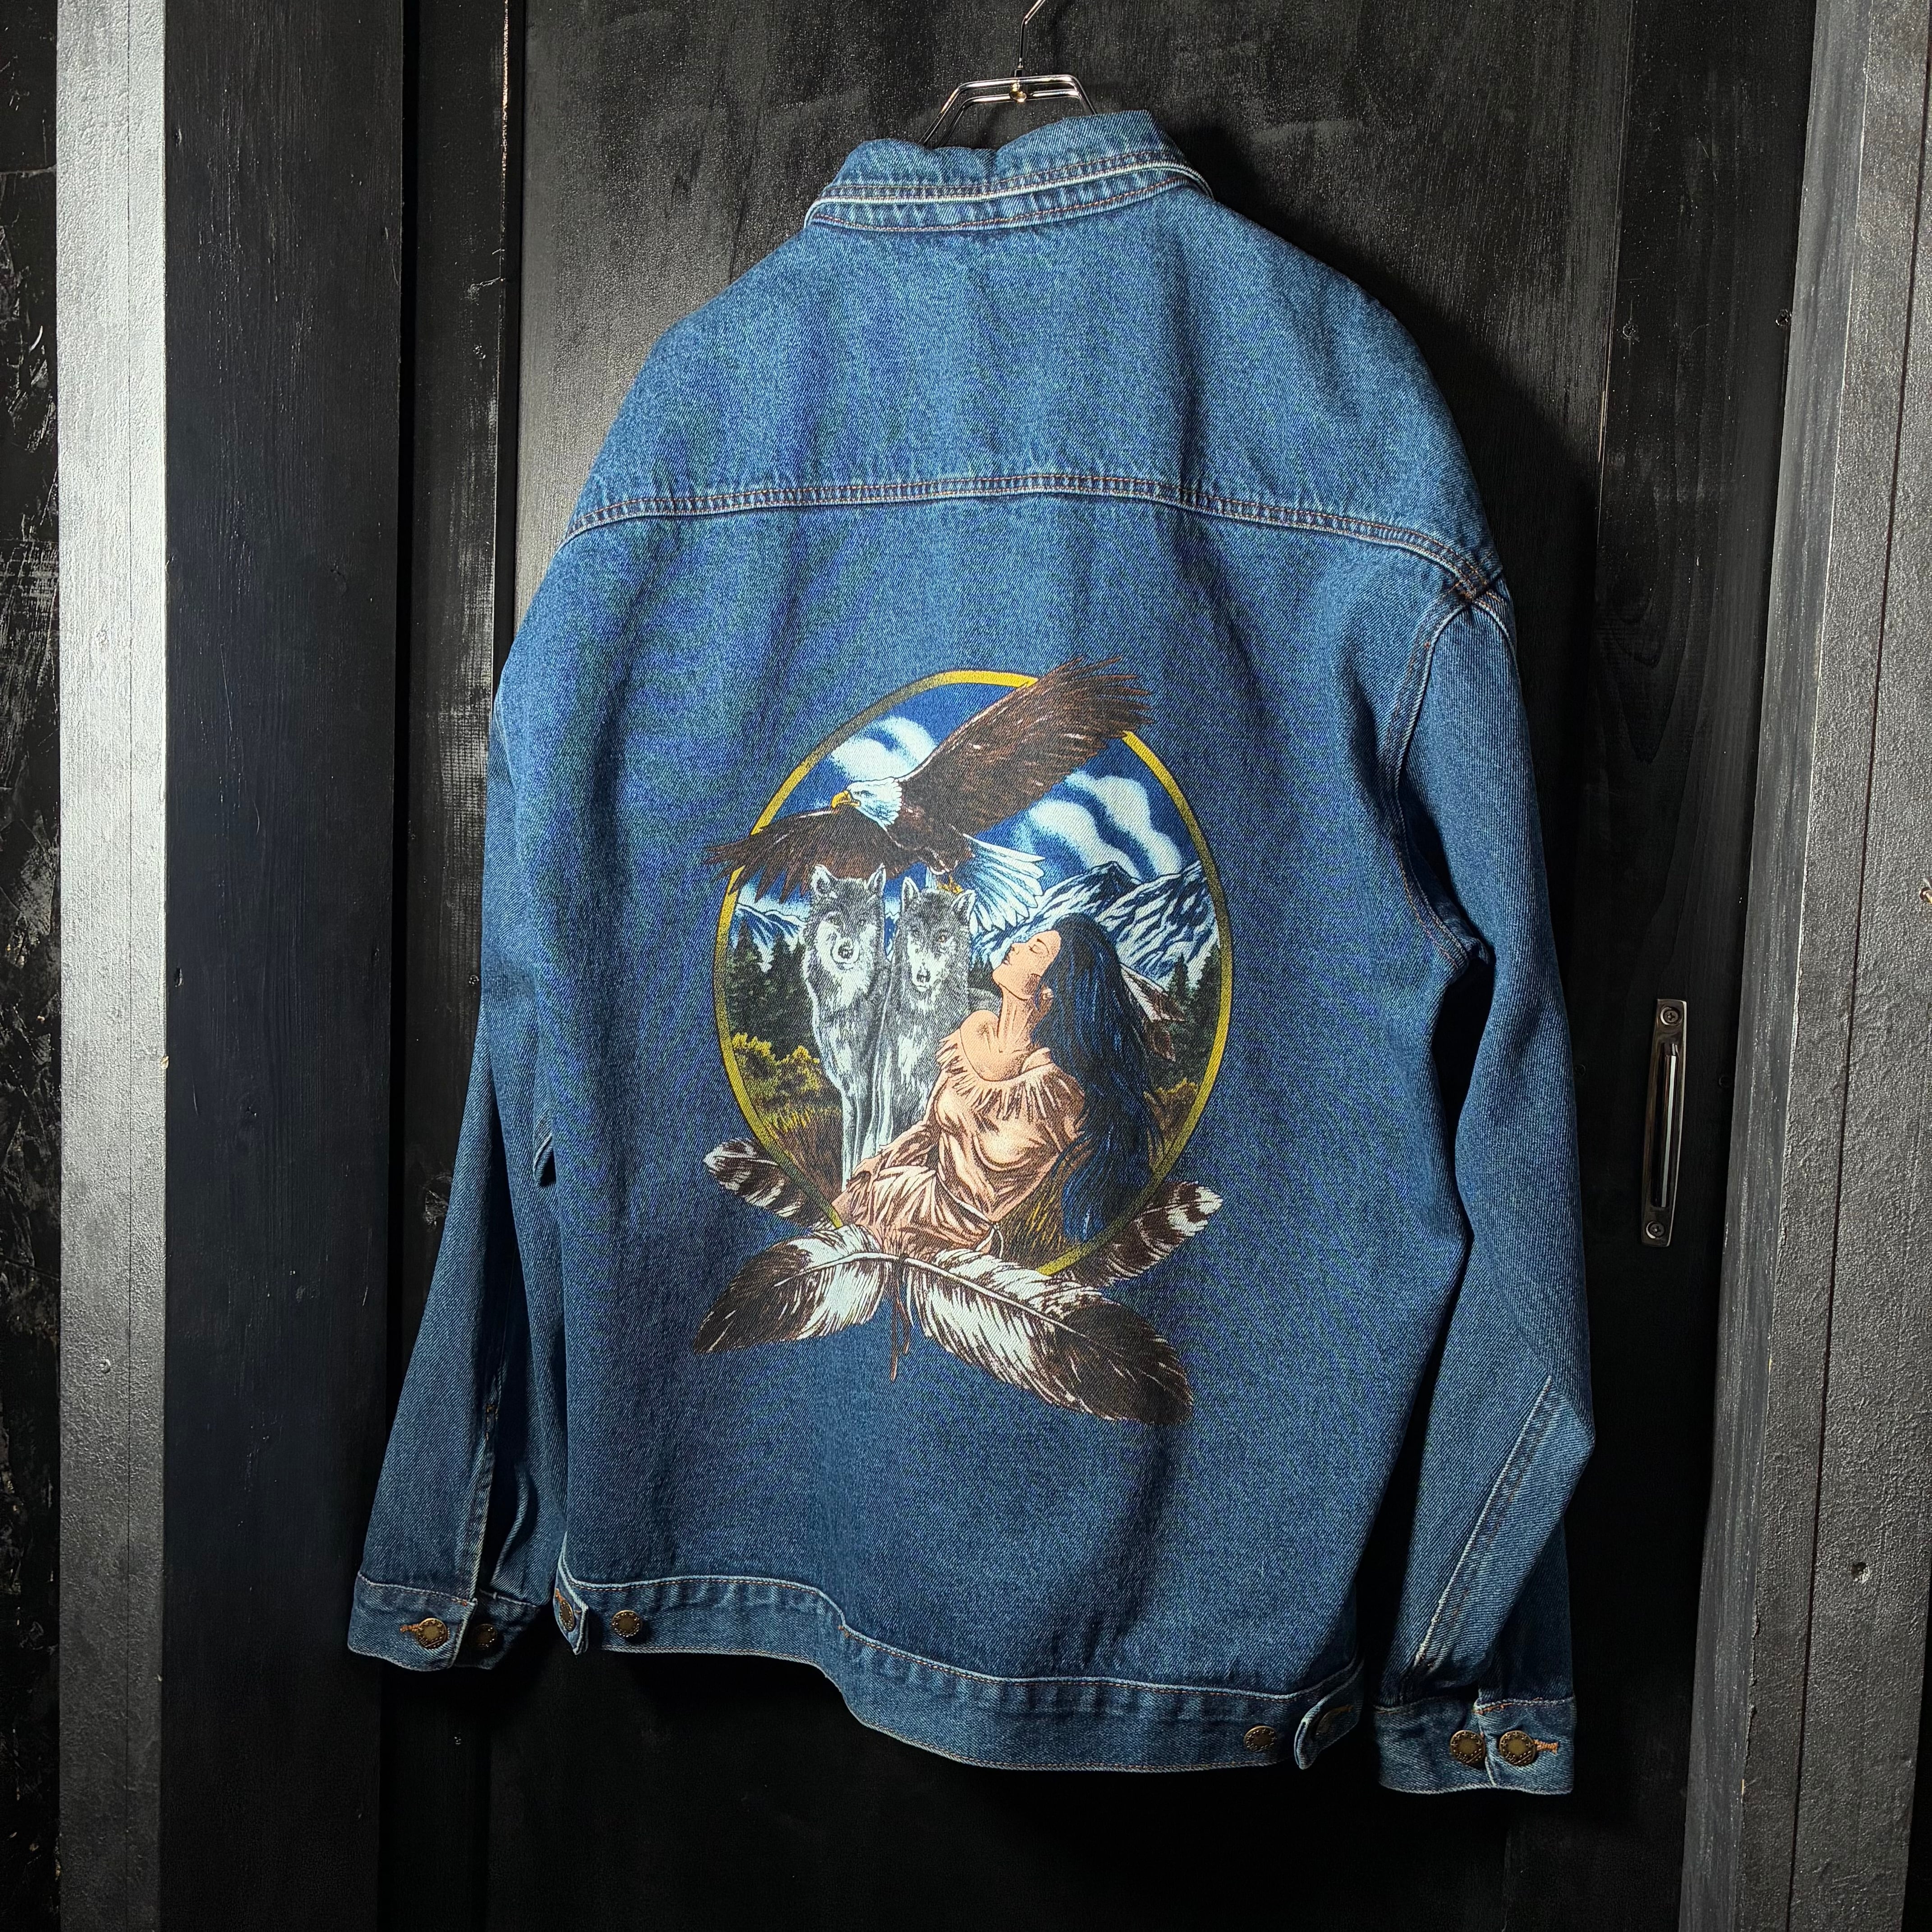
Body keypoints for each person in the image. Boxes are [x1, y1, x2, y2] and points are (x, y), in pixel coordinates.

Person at [833, 912, 1154, 1259]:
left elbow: (1105, 1165)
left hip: (959, 1243)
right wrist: (879, 1163)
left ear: (1047, 994)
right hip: (899, 1194)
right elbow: (928, 1130)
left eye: (1034, 949)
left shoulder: (1057, 1092)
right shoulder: (976, 1030)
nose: (1016, 946)